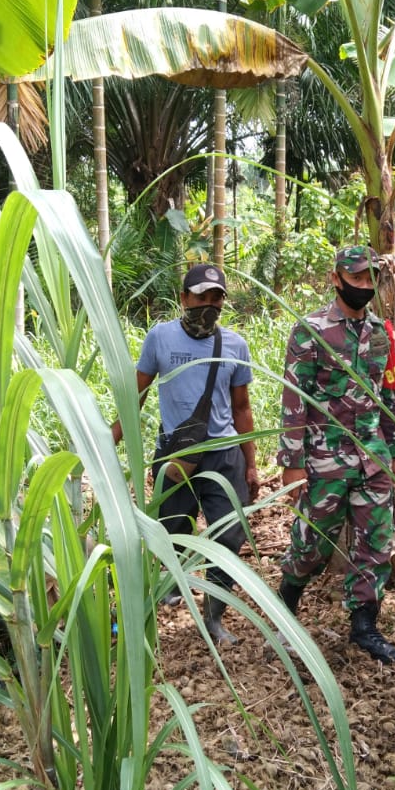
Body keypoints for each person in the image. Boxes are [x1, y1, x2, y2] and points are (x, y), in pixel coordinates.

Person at [275, 244, 395, 666]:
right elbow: (294, 400)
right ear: (336, 279)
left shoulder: (381, 332)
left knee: (374, 545)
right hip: (325, 459)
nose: (364, 287)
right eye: (356, 279)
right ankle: (284, 615)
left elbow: (391, 393)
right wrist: (292, 465)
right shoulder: (311, 329)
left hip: (372, 457)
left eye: (371, 280)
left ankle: (365, 628)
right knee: (312, 546)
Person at [112, 263, 260, 645]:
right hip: (176, 455)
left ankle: (213, 616)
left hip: (224, 454)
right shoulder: (159, 338)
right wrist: (108, 439)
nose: (207, 305)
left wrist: (252, 463)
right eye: (200, 297)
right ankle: (176, 584)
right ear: (183, 298)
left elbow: (242, 408)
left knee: (228, 535)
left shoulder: (235, 345)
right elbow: (137, 393)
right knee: (174, 531)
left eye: (215, 298)